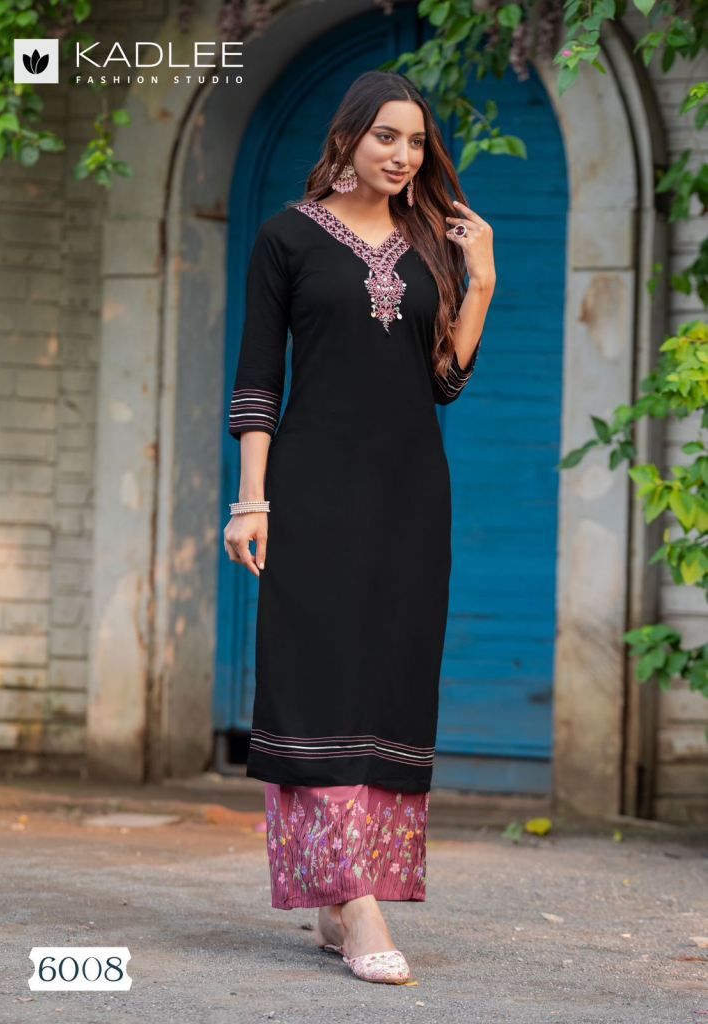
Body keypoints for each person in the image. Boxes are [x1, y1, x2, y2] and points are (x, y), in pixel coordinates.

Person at [223, 69, 496, 985]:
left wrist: (481, 281)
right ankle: (355, 900)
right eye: (386, 136)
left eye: (416, 141)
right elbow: (257, 378)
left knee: (386, 682)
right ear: (346, 138)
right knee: (316, 684)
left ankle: (342, 895)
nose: (403, 155)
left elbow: (442, 381)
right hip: (311, 488)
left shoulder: (428, 244)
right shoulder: (287, 236)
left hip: (411, 493)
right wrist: (251, 500)